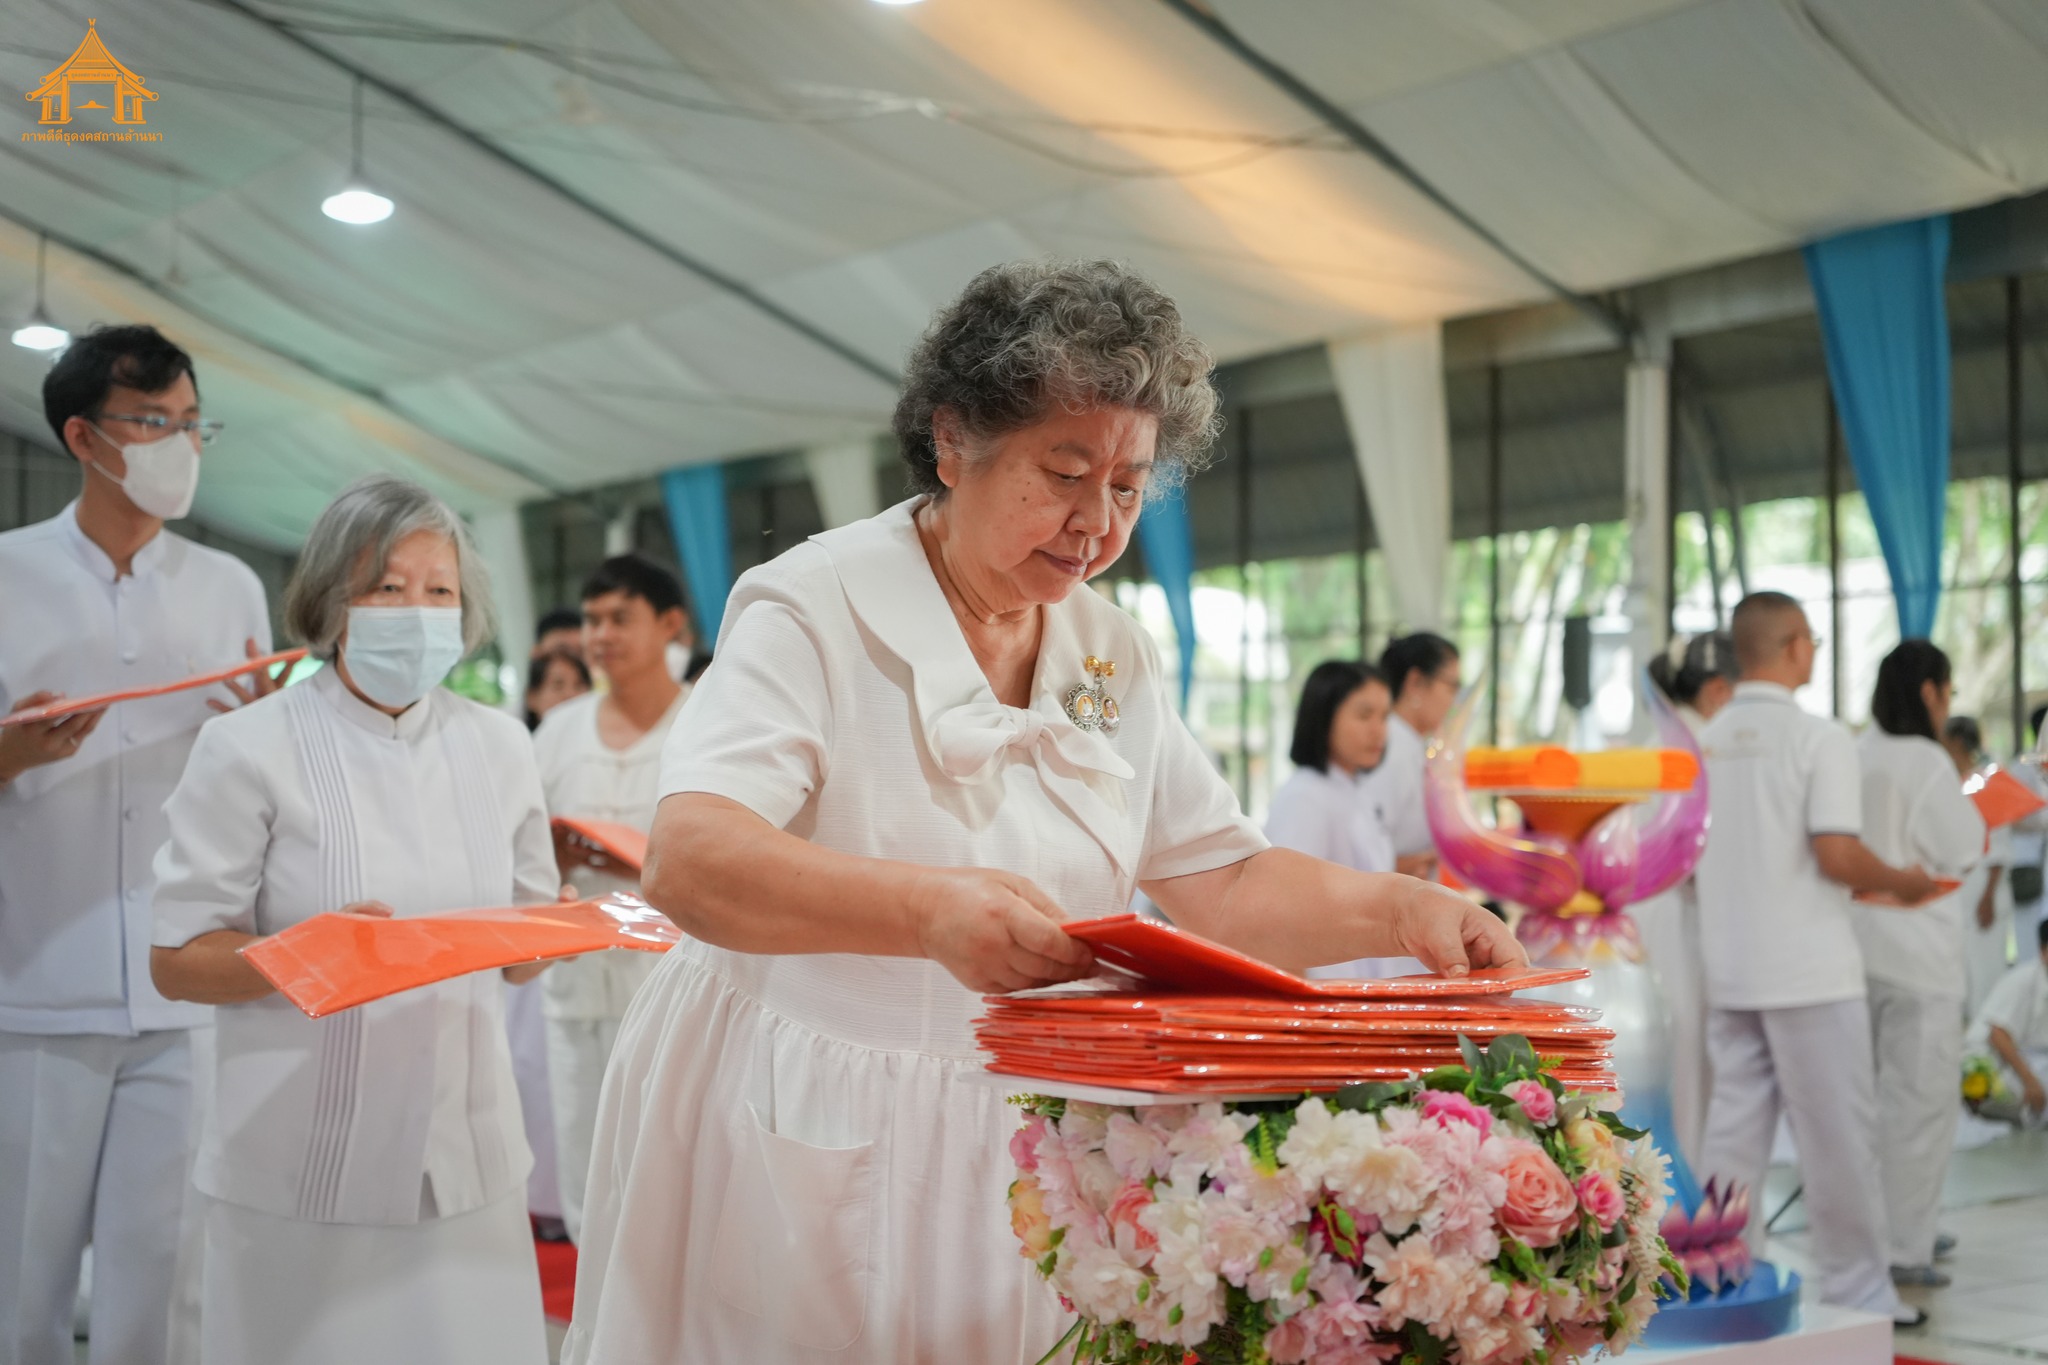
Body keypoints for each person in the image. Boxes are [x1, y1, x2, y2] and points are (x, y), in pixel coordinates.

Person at [560, 260, 1526, 1364]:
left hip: (1027, 1121)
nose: (1094, 525)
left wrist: (1401, 915)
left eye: (1128, 487)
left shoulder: (1104, 651)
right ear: (950, 443)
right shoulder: (813, 608)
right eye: (1064, 473)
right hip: (809, 1091)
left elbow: (1223, 880)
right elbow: (691, 860)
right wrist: (924, 914)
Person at [147, 476, 554, 1365]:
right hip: (299, 1156)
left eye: (437, 590)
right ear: (331, 601)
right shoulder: (248, 746)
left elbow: (524, 945)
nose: (416, 610)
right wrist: (299, 957)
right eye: (386, 587)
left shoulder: (501, 744)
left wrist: (562, 931)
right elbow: (176, 957)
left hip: (469, 1150)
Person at [0, 324, 278, 1365]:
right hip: (35, 984)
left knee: (164, 1279)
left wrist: (271, 725)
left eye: (191, 423)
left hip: (181, 985)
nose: (180, 444)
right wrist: (13, 755)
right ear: (84, 436)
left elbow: (255, 785)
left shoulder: (230, 588)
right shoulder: (6, 575)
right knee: (20, 1277)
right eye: (152, 422)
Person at [1692, 591, 1938, 1326]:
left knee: (1731, 1134)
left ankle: (1718, 1274)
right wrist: (1905, 879)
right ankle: (1860, 1292)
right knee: (1837, 1139)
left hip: (1731, 967)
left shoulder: (1703, 742)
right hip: (1809, 971)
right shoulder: (1817, 736)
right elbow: (1835, 852)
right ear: (1796, 644)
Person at [533, 555, 693, 1243]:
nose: (599, 634)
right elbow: (520, 838)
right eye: (591, 619)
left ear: (670, 624)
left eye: (619, 617)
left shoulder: (708, 719)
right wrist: (557, 853)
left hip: (679, 984)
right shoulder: (560, 730)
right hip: (579, 981)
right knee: (588, 1171)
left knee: (678, 1174)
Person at [1850, 642, 1985, 1288]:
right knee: (1920, 1104)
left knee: (1872, 1101)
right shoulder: (1926, 761)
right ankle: (1906, 1243)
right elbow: (1960, 845)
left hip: (1857, 947)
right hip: (1918, 954)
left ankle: (1898, 1228)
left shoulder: (1856, 751)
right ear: (1931, 691)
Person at [1638, 629, 1740, 1167]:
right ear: (1719, 691)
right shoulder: (1705, 748)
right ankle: (1686, 1183)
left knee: (1670, 1052)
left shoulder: (1663, 741)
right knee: (1694, 1059)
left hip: (1649, 912)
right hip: (1686, 913)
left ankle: (1661, 1179)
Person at [1266, 660, 1417, 979]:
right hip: (1327, 988)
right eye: (1364, 715)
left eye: (1384, 716)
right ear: (1324, 717)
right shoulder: (1304, 797)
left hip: (1362, 981)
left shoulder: (1352, 791)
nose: (1378, 730)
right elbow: (1281, 908)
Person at [1368, 632, 1462, 879]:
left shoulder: (1410, 744)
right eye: (1452, 687)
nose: (1454, 703)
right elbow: (1363, 853)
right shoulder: (1388, 747)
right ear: (1416, 683)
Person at [1947, 717, 2014, 1017]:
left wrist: (1987, 898)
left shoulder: (1988, 783)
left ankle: (1987, 1051)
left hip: (1985, 893)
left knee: (1986, 974)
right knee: (1961, 976)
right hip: (1959, 893)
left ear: (1958, 743)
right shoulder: (1951, 784)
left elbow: (1999, 847)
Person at [1968, 920, 2048, 1128]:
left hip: (2032, 1058)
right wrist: (2029, 1080)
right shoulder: (2023, 980)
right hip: (1992, 1062)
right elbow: (1997, 1034)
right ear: (2043, 951)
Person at [524, 648, 591, 731]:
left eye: (579, 685)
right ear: (532, 698)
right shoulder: (522, 742)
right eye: (558, 685)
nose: (570, 694)